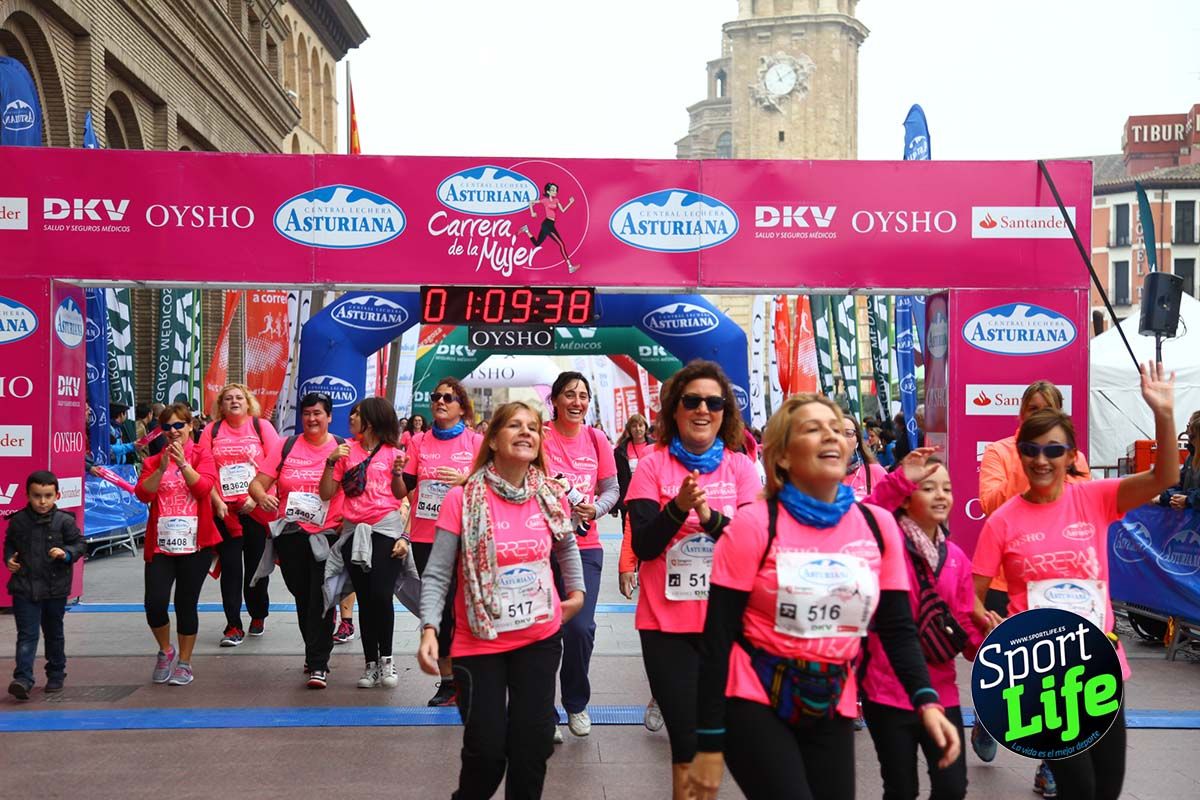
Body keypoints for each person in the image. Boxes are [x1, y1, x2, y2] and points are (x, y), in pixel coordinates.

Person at [689, 393, 959, 800]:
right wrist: (708, 743)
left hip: (832, 696)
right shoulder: (752, 525)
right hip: (755, 693)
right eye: (813, 429)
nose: (831, 437)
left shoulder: (878, 524)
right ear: (781, 457)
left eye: (836, 429)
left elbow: (898, 628)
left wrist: (927, 702)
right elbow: (717, 640)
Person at [973, 362, 1177, 800]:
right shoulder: (1003, 522)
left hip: (1100, 664)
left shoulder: (1095, 497)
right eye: (1032, 450)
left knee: (1107, 787)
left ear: (1071, 456)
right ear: (1020, 453)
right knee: (1078, 787)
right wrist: (988, 624)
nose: (1041, 460)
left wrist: (1163, 414)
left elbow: (1165, 477)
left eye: (1053, 451)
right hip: (1041, 673)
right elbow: (974, 597)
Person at [418, 401, 585, 799]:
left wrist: (576, 594)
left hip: (539, 637)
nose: (526, 432)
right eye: (514, 425)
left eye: (533, 426)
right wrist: (428, 627)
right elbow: (439, 571)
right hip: (479, 642)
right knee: (487, 753)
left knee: (534, 747)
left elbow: (566, 545)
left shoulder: (549, 494)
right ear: (493, 439)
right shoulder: (463, 498)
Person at [626, 361, 761, 799]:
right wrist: (677, 507)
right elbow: (644, 544)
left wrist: (707, 515)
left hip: (727, 626)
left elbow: (750, 547)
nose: (703, 409)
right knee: (686, 740)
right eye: (692, 401)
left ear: (725, 412)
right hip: (666, 626)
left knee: (715, 740)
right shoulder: (651, 466)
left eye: (713, 402)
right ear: (675, 409)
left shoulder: (740, 467)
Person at [974, 379, 1091, 792]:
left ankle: (1049, 766)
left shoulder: (1071, 459)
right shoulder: (1001, 452)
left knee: (1054, 678)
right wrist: (1032, 466)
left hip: (1054, 585)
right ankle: (990, 717)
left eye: (1045, 407)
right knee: (1009, 673)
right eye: (1031, 408)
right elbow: (989, 505)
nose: (1036, 414)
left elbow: (1081, 510)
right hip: (1006, 580)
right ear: (1020, 413)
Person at [860, 456, 998, 800]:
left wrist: (989, 640)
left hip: (941, 691)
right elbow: (865, 515)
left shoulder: (956, 558)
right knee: (901, 789)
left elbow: (963, 621)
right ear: (906, 497)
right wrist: (898, 480)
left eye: (947, 489)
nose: (941, 495)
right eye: (928, 487)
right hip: (886, 691)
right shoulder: (883, 544)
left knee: (952, 788)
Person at [248, 392, 345, 689]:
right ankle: (313, 649)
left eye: (318, 413)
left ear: (329, 416)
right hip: (291, 534)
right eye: (306, 414)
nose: (312, 419)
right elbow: (256, 484)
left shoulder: (342, 449)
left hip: (327, 535)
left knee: (321, 598)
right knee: (302, 596)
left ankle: (319, 664)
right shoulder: (286, 445)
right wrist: (263, 497)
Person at [542, 371, 620, 738]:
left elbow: (611, 488)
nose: (577, 402)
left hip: (585, 547)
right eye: (570, 395)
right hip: (540, 546)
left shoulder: (597, 438)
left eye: (583, 395)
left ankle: (576, 703)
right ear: (555, 400)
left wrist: (597, 509)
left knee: (579, 628)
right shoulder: (539, 435)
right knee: (542, 630)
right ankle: (543, 711)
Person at [403, 378, 484, 706]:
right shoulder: (418, 442)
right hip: (426, 536)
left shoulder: (476, 442)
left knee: (465, 606)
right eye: (436, 396)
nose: (440, 401)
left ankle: (475, 674)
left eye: (448, 398)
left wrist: (466, 480)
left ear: (461, 407)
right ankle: (449, 681)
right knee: (440, 608)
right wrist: (397, 475)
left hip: (467, 535)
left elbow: (494, 481)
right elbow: (402, 488)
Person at [320, 397, 409, 689]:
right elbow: (326, 493)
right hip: (352, 533)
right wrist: (330, 461)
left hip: (385, 531)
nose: (351, 418)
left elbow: (399, 494)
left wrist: (397, 473)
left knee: (382, 596)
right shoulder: (345, 450)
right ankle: (370, 664)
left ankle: (387, 660)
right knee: (366, 599)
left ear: (370, 420)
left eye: (357, 414)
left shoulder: (393, 452)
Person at [136, 403, 220, 687]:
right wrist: (161, 469)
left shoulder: (202, 455)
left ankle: (184, 662)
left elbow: (203, 489)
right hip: (161, 545)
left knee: (186, 604)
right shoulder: (153, 460)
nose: (173, 432)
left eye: (179, 426)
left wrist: (183, 463)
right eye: (168, 427)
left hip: (195, 545)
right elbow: (143, 495)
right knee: (155, 604)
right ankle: (165, 650)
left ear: (190, 427)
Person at [199, 383, 282, 646]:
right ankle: (233, 624)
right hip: (225, 511)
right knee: (232, 568)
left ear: (248, 403)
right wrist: (216, 501)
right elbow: (204, 469)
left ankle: (258, 614)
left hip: (255, 509)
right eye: (228, 399)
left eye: (239, 398)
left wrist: (255, 497)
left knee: (256, 569)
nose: (234, 402)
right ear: (220, 405)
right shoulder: (211, 431)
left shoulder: (261, 427)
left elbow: (276, 465)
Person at [5, 471, 85, 700]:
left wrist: (66, 553)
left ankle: (56, 672)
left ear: (57, 495)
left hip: (54, 587)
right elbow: (9, 544)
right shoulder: (19, 520)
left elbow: (79, 544)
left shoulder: (64, 521)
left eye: (48, 496)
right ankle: (23, 678)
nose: (42, 501)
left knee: (53, 632)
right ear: (28, 495)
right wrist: (10, 559)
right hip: (24, 587)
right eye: (37, 496)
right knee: (27, 634)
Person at [614, 413, 652, 598]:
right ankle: (633, 568)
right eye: (634, 426)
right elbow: (617, 478)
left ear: (646, 427)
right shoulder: (621, 450)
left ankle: (641, 569)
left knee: (645, 533)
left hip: (648, 497)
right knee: (629, 532)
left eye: (641, 426)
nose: (638, 429)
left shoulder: (653, 448)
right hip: (628, 498)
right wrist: (614, 504)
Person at [518, 182, 579, 273]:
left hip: (550, 224)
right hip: (547, 224)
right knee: (561, 244)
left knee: (537, 244)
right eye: (553, 190)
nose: (555, 192)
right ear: (548, 191)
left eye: (556, 190)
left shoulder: (556, 200)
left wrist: (570, 203)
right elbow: (531, 202)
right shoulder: (545, 200)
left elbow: (563, 210)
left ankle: (526, 230)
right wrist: (532, 212)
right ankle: (570, 267)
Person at [1159, 409, 1200, 509]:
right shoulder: (1190, 457)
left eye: (1189, 426)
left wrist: (1187, 500)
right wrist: (1164, 496)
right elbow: (1179, 484)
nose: (1187, 431)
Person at [843, 415, 888, 501]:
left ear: (857, 440)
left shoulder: (875, 472)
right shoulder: (820, 478)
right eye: (836, 432)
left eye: (848, 433)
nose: (842, 439)